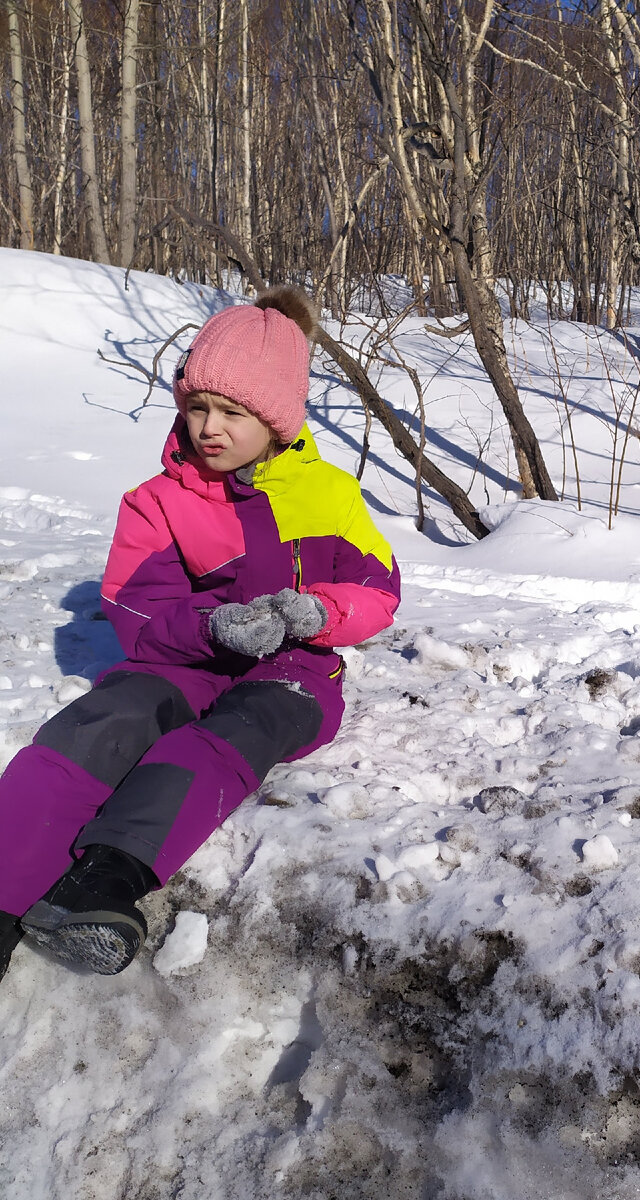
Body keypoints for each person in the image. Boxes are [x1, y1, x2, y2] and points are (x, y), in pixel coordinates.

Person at [0, 285, 401, 979]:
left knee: (235, 732)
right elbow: (135, 610)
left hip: (294, 670)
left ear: (277, 418)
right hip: (188, 659)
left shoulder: (330, 493)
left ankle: (107, 879)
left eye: (232, 412)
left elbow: (378, 592)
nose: (209, 427)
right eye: (197, 407)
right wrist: (210, 625)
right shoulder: (157, 502)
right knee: (103, 720)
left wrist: (319, 613)